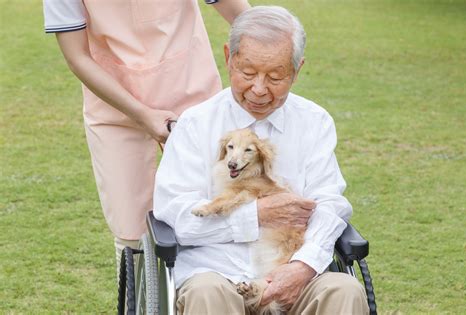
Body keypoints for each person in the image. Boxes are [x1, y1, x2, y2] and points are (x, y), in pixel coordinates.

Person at [153, 5, 370, 315]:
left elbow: (329, 204)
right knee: (206, 294)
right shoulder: (195, 124)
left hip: (290, 268)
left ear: (297, 71)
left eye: (275, 77)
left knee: (343, 290)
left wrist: (303, 266)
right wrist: (255, 215)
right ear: (229, 57)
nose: (258, 89)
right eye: (248, 73)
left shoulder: (314, 122)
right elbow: (181, 221)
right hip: (215, 274)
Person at [42, 0, 250, 276]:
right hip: (115, 109)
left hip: (192, 95)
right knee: (131, 231)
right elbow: (76, 56)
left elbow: (240, 15)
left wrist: (273, 54)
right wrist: (141, 113)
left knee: (215, 208)